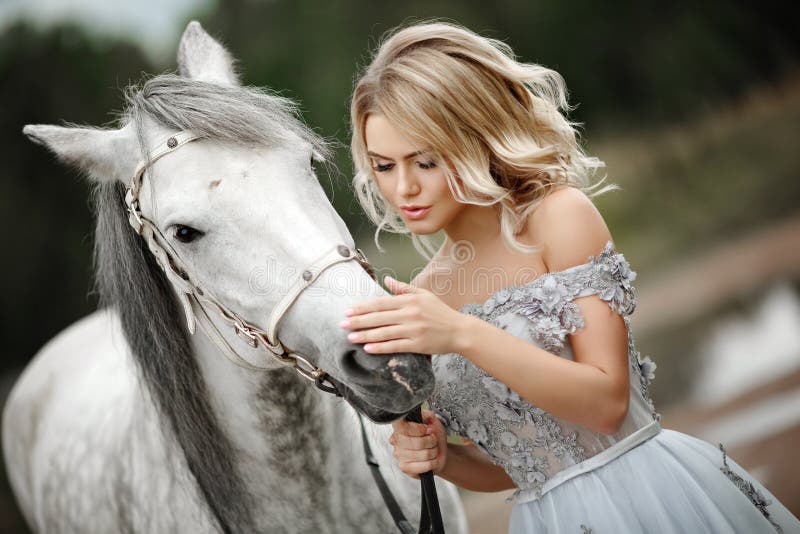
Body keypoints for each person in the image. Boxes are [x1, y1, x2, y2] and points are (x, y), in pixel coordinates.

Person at [340, 20, 800, 533]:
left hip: (652, 500)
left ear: (473, 136)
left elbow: (606, 406)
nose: (403, 188)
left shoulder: (558, 218)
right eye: (383, 166)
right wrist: (445, 459)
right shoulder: (424, 294)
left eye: (424, 161)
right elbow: (527, 463)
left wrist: (460, 333)